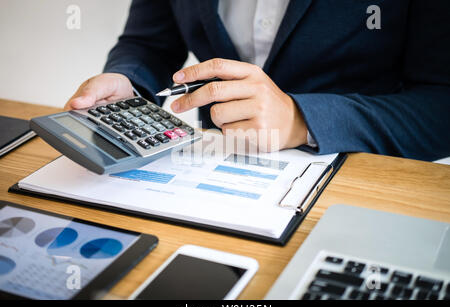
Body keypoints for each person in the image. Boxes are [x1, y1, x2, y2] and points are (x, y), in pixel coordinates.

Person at [65, 0, 450, 161]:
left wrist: (302, 119)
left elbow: (441, 106)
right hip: (212, 167)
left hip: (354, 181)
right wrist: (127, 81)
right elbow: (149, 41)